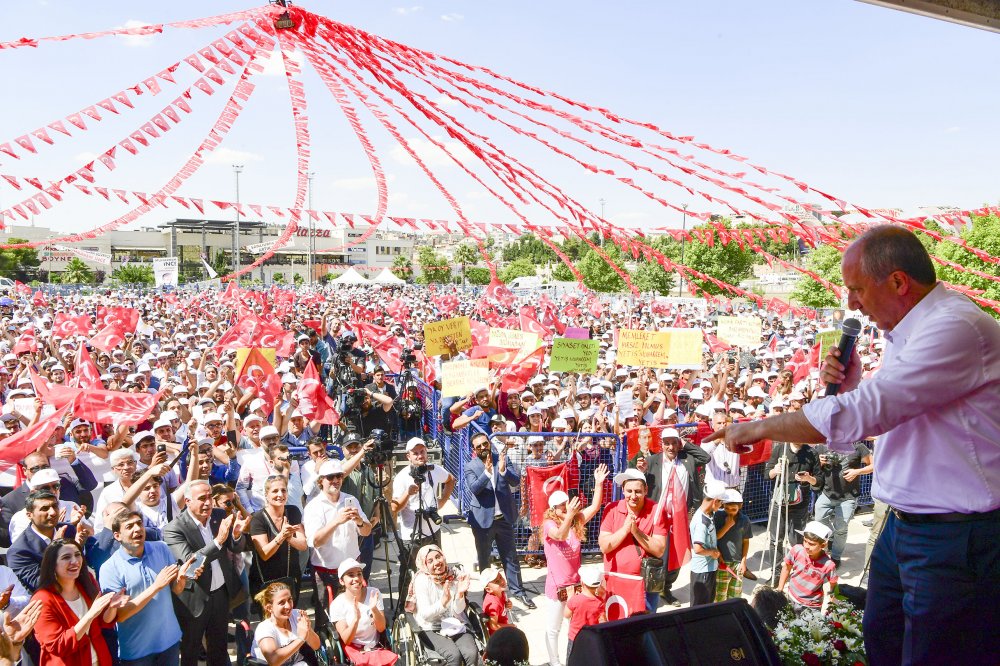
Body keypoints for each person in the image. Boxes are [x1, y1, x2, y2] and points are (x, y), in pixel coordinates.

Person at [707, 226, 1000, 664]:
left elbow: (869, 411)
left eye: (857, 289)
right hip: (906, 527)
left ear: (899, 282)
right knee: (882, 639)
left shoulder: (954, 328)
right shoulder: (910, 332)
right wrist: (851, 386)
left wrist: (758, 427)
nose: (852, 304)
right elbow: (891, 420)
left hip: (955, 536)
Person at [163, 479, 250, 666]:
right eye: (202, 498)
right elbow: (190, 561)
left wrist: (235, 535)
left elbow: (235, 548)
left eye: (210, 496)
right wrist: (218, 540)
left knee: (219, 647)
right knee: (191, 650)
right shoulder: (174, 528)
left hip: (221, 593)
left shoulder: (219, 515)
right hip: (193, 598)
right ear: (187, 501)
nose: (208, 502)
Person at [98, 510, 192, 666]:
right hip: (137, 652)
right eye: (129, 526)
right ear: (117, 536)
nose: (137, 529)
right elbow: (120, 615)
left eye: (139, 523)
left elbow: (175, 589)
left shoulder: (161, 548)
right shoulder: (109, 568)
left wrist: (181, 579)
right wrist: (156, 586)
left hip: (170, 642)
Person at [540, 466, 608, 666]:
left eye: (566, 504)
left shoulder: (576, 520)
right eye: (561, 506)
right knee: (554, 628)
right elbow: (560, 535)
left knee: (578, 624)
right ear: (553, 510)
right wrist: (569, 515)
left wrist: (598, 482)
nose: (565, 507)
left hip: (576, 585)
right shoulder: (549, 525)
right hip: (557, 586)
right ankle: (555, 662)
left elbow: (595, 506)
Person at [633, 428, 709, 607]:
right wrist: (642, 472)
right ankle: (652, 588)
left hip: (681, 515)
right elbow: (637, 482)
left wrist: (685, 444)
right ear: (661, 444)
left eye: (674, 442)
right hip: (658, 514)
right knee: (657, 553)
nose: (670, 446)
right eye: (667, 443)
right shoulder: (652, 461)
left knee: (678, 551)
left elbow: (706, 458)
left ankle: (667, 587)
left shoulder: (686, 458)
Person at [463, 432, 534, 610]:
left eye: (484, 444)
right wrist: (487, 473)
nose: (482, 448)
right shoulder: (471, 466)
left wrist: (502, 470)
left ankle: (518, 592)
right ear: (474, 449)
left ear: (489, 443)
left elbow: (516, 480)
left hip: (504, 518)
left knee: (510, 557)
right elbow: (474, 488)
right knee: (484, 559)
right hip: (482, 521)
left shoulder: (502, 458)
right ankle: (489, 594)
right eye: (478, 446)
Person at [31, 539, 127, 666]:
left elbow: (103, 622)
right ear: (52, 564)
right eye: (66, 557)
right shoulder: (42, 599)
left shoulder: (87, 581)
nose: (75, 561)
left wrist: (112, 608)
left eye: (77, 555)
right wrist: (91, 613)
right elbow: (59, 645)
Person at [303, 459, 372, 632]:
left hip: (351, 571)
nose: (336, 480)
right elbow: (315, 542)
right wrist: (336, 521)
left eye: (339, 476)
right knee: (326, 621)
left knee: (357, 615)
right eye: (330, 477)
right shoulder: (313, 506)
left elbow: (367, 532)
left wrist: (359, 521)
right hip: (327, 572)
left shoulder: (351, 500)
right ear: (321, 481)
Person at [598, 468, 666, 617]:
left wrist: (636, 532)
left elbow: (659, 549)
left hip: (645, 586)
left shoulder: (656, 510)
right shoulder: (611, 509)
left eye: (638, 491)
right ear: (623, 490)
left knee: (643, 630)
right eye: (629, 491)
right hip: (616, 582)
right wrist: (625, 530)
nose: (633, 496)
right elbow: (604, 546)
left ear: (646, 490)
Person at [391, 438, 456, 571]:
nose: (420, 455)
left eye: (422, 451)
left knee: (436, 570)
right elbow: (394, 508)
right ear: (408, 456)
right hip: (411, 536)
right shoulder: (402, 477)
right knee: (410, 573)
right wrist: (408, 493)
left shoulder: (435, 470)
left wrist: (442, 502)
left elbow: (451, 480)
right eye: (415, 453)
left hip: (433, 531)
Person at [8, 490, 91, 593]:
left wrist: (79, 547)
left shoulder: (69, 530)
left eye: (55, 506)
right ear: (30, 515)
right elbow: (39, 583)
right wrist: (54, 549)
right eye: (45, 509)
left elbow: (83, 570)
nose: (53, 512)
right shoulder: (19, 550)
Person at [410, 545, 480, 666]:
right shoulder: (421, 580)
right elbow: (425, 615)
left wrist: (460, 594)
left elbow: (458, 610)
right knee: (453, 656)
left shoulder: (452, 575)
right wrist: (443, 602)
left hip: (455, 623)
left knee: (471, 654)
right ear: (424, 564)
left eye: (438, 557)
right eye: (430, 561)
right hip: (430, 627)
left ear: (444, 557)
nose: (437, 562)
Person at [811, 441, 873, 567]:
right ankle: (831, 536)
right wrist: (820, 463)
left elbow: (873, 465)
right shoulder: (823, 446)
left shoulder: (858, 446)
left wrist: (857, 472)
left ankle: (835, 557)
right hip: (827, 493)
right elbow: (814, 470)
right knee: (819, 520)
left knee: (841, 528)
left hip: (848, 497)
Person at [329, 558, 396, 666]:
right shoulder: (337, 604)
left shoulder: (374, 593)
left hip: (376, 647)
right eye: (351, 575)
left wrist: (374, 609)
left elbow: (381, 628)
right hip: (353, 650)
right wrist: (356, 619)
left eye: (359, 574)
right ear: (342, 581)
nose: (356, 578)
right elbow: (346, 640)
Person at [249, 475, 306, 601]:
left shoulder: (293, 511)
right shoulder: (257, 519)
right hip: (266, 582)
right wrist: (282, 536)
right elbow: (264, 554)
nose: (280, 494)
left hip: (290, 579)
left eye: (283, 490)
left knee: (289, 617)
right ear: (266, 494)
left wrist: (290, 538)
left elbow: (303, 545)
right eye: (275, 491)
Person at [251, 582, 321, 666]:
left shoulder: (296, 615)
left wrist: (308, 630)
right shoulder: (264, 628)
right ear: (269, 608)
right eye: (281, 603)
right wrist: (301, 638)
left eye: (289, 599)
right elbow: (273, 661)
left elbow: (316, 646)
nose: (288, 606)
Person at [776, 521, 838, 611]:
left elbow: (834, 586)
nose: (806, 546)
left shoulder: (828, 565)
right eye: (805, 541)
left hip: (812, 605)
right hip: (791, 596)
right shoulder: (796, 550)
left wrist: (832, 606)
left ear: (823, 545)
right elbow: (786, 568)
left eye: (812, 544)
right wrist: (780, 589)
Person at [689, 481, 727, 606]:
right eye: (721, 502)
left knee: (708, 604)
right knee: (699, 608)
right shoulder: (701, 523)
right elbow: (698, 549)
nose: (721, 505)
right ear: (715, 501)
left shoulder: (709, 514)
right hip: (702, 572)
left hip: (709, 569)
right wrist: (713, 553)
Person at [713, 489, 754, 603]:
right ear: (723, 505)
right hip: (722, 562)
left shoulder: (744, 520)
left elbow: (746, 541)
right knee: (720, 596)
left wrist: (744, 561)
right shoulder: (718, 516)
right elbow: (715, 538)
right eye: (727, 508)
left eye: (734, 509)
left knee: (735, 596)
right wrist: (727, 526)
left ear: (740, 506)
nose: (730, 512)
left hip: (737, 564)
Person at [564, 566, 605, 663]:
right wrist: (602, 594)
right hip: (590, 638)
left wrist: (570, 597)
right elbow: (603, 620)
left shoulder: (575, 600)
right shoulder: (600, 602)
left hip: (574, 637)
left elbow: (566, 614)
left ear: (582, 583)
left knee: (572, 660)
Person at [478, 566, 510, 636]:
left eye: (501, 577)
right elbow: (493, 626)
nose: (501, 581)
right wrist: (511, 626)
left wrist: (509, 604)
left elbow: (504, 604)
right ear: (489, 589)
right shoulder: (494, 604)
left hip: (503, 626)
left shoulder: (501, 592)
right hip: (497, 634)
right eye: (497, 581)